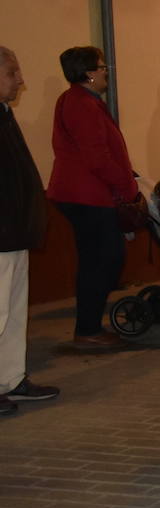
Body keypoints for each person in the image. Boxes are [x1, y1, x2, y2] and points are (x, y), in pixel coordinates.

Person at [47, 46, 139, 349]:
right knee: (104, 259)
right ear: (88, 73)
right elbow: (96, 157)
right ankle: (87, 330)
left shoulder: (79, 101)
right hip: (87, 195)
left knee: (99, 259)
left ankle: (88, 326)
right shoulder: (81, 104)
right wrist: (126, 186)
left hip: (85, 193)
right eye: (101, 66)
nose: (105, 71)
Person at [0, 45, 60, 415]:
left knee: (13, 311)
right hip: (2, 233)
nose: (21, 80)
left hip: (14, 234)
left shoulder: (5, 114)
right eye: (12, 72)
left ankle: (11, 378)